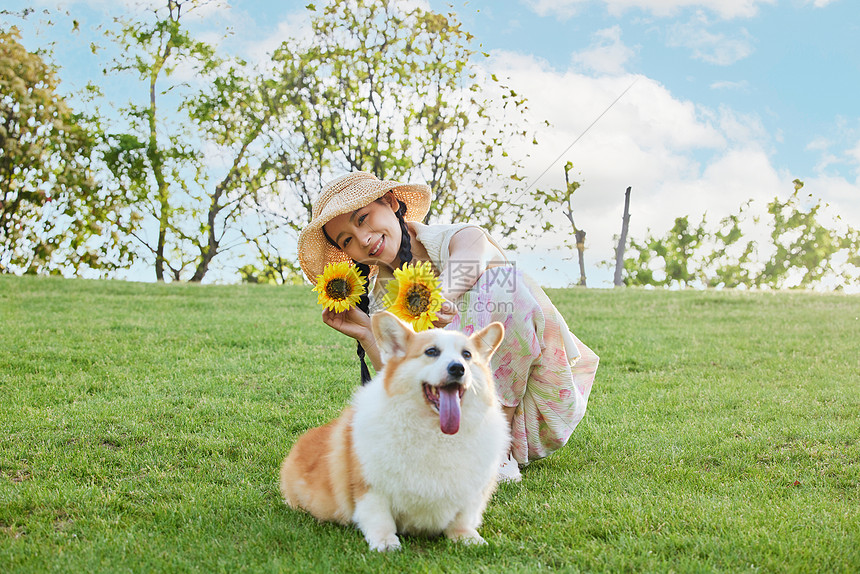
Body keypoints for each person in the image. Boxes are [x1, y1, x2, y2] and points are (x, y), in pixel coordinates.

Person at [297, 172, 599, 482]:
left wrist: (434, 299)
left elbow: (468, 263)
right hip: (451, 424)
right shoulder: (382, 299)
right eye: (347, 240)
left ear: (390, 202)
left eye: (363, 219)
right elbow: (400, 382)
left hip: (532, 410)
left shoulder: (461, 236)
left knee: (505, 283)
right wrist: (365, 331)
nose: (362, 239)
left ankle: (499, 446)